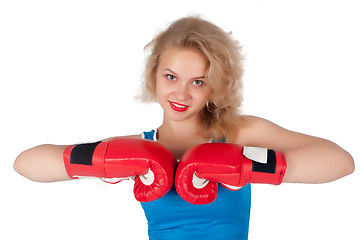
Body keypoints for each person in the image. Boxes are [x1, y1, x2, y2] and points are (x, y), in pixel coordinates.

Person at [13, 16, 354, 239]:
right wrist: (101, 162)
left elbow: (340, 161)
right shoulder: (138, 148)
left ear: (216, 86)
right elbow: (25, 164)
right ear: (155, 74)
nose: (180, 93)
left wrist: (248, 165)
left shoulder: (237, 134)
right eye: (171, 77)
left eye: (198, 82)